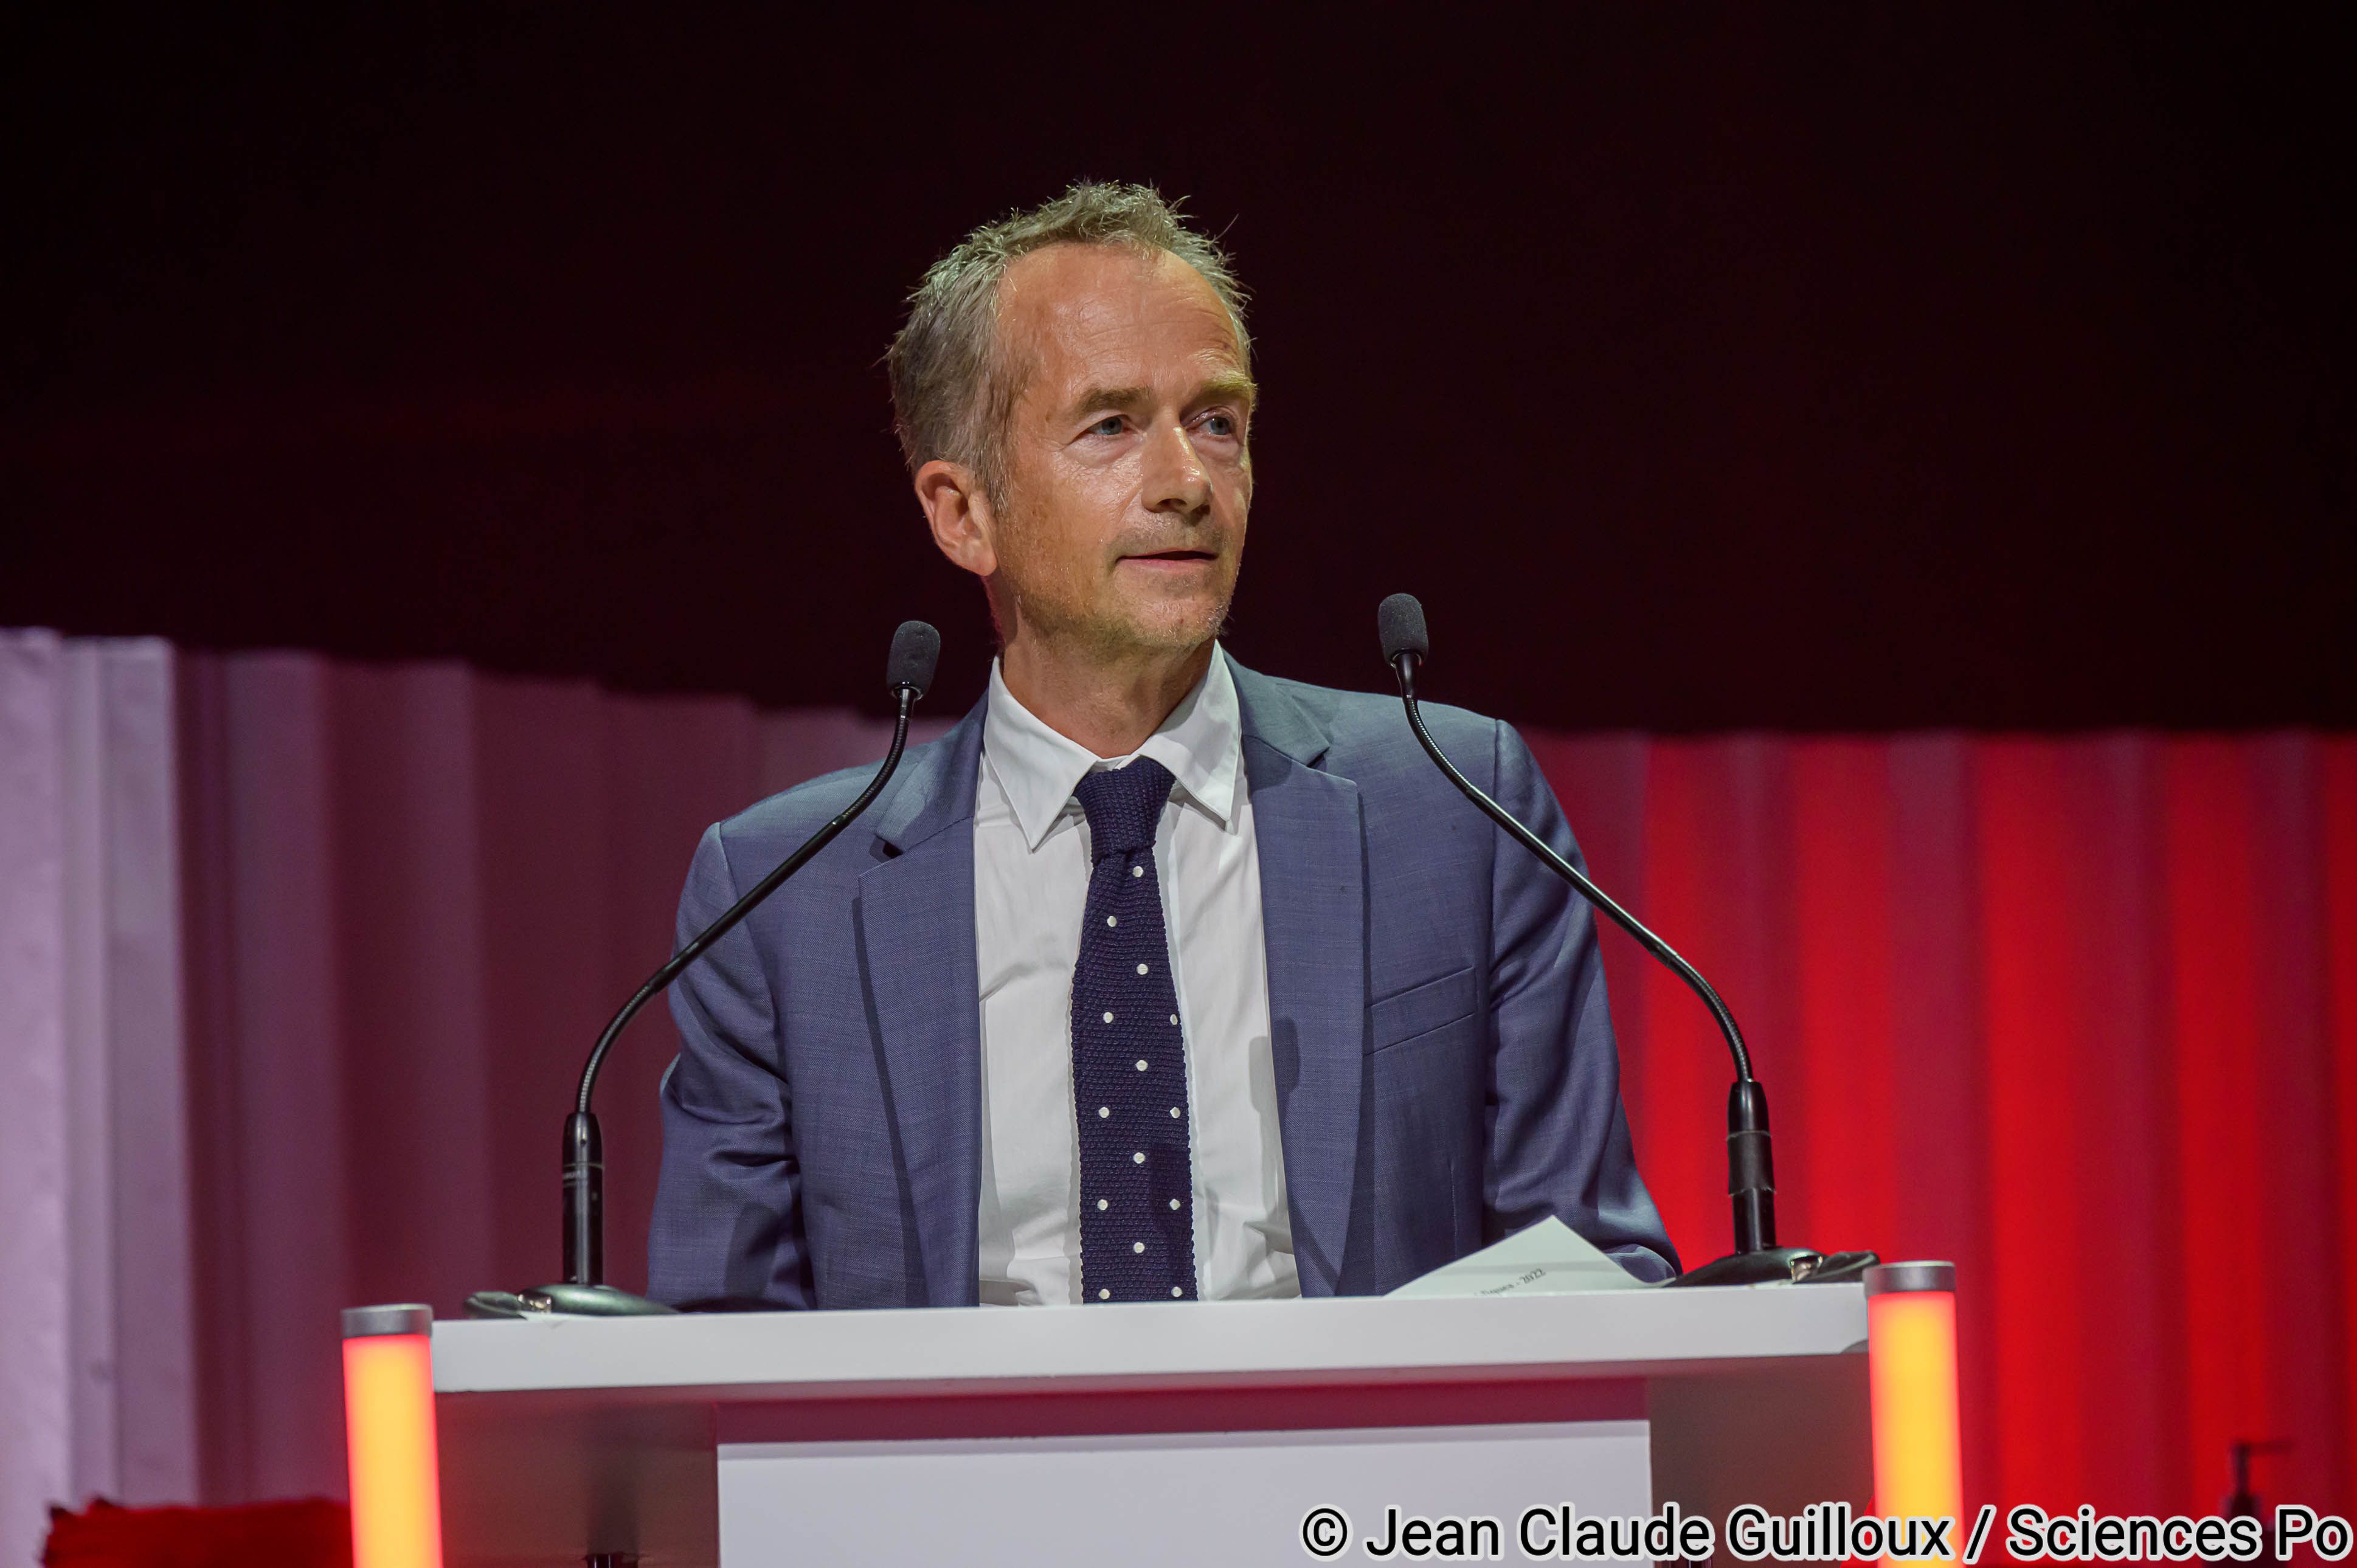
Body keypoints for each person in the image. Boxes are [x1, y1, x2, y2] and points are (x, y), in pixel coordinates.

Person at [648, 182, 1675, 1308]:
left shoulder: (1456, 805)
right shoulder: (782, 899)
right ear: (962, 514)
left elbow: (1589, 1269)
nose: (1187, 482)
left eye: (1217, 422)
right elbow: (722, 1352)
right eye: (1112, 426)